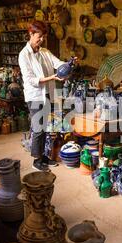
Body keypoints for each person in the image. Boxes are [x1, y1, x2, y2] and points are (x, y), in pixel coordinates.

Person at [19, 21, 74, 172]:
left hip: (48, 94)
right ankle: (37, 161)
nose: (41, 40)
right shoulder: (24, 55)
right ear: (30, 34)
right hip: (35, 95)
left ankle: (44, 157)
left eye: (43, 37)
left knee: (46, 127)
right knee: (38, 129)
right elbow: (30, 80)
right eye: (39, 37)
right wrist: (52, 78)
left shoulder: (45, 52)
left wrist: (69, 64)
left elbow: (58, 64)